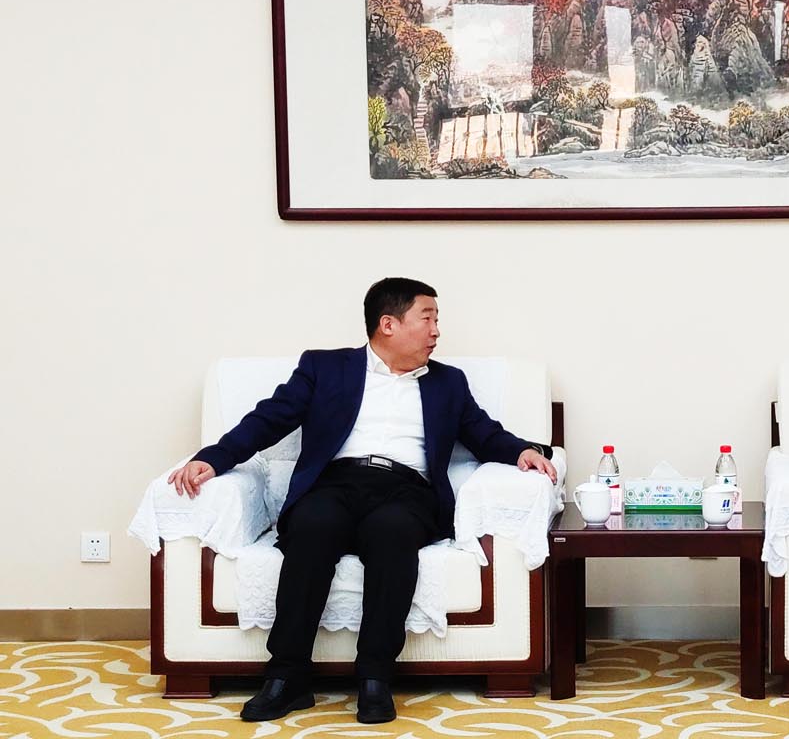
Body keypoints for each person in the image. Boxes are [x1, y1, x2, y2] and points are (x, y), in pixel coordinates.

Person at [167, 278, 556, 724]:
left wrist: (523, 451)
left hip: (406, 489)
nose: (436, 331)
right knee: (311, 527)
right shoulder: (325, 368)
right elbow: (268, 419)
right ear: (389, 324)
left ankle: (375, 676)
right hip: (335, 483)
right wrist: (213, 459)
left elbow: (484, 433)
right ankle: (287, 677)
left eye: (436, 320)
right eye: (427, 318)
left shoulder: (448, 382)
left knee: (392, 532)